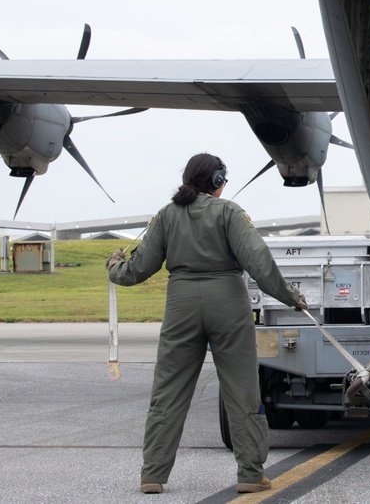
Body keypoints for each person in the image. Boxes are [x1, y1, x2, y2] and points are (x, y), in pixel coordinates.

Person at [106, 152, 306, 495]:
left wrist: (115, 267)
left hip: (181, 305)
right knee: (241, 389)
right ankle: (249, 474)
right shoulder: (229, 212)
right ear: (217, 182)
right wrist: (291, 297)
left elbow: (139, 268)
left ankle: (152, 474)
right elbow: (259, 262)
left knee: (168, 391)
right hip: (228, 303)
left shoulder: (166, 215)